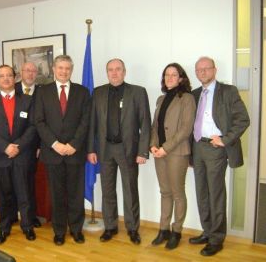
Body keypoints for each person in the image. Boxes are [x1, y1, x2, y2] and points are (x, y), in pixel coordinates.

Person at [190, 57, 250, 256]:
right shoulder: (194, 94)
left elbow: (243, 119)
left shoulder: (228, 91)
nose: (203, 72)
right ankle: (207, 231)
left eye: (206, 69)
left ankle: (216, 238)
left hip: (216, 148)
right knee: (202, 193)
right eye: (199, 70)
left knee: (215, 194)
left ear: (215, 70)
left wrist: (225, 139)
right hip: (197, 147)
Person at [87, 58, 151, 245]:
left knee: (130, 190)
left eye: (118, 69)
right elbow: (93, 123)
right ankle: (110, 226)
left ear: (124, 71)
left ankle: (132, 228)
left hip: (128, 150)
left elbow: (145, 124)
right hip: (105, 149)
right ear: (107, 73)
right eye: (110, 70)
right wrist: (90, 149)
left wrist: (143, 151)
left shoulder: (138, 92)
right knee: (107, 190)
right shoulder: (98, 93)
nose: (114, 73)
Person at [34, 55, 90, 246]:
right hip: (52, 153)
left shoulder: (82, 92)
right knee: (56, 195)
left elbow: (85, 121)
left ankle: (76, 229)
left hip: (75, 152)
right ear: (53, 68)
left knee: (75, 194)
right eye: (60, 68)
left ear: (71, 70)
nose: (64, 71)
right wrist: (55, 144)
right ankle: (59, 231)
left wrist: (73, 144)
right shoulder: (43, 92)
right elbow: (39, 121)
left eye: (67, 68)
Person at [0, 64, 37, 244]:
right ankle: (3, 228)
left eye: (9, 75)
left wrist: (17, 146)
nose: (6, 79)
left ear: (15, 78)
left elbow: (33, 126)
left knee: (24, 193)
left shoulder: (27, 101)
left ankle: (27, 226)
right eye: (1, 76)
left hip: (22, 156)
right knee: (3, 195)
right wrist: (5, 147)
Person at [150, 63, 196, 249]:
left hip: (176, 152)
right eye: (166, 75)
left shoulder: (187, 98)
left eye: (173, 74)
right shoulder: (161, 99)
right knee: (165, 192)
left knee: (177, 193)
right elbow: (155, 126)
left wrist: (166, 148)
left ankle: (176, 231)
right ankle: (163, 229)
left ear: (181, 78)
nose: (169, 78)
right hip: (159, 152)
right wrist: (153, 145)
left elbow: (185, 129)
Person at [12, 62, 41, 228]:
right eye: (27, 71)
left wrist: (40, 146)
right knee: (12, 184)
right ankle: (13, 215)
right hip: (12, 146)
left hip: (32, 147)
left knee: (29, 183)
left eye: (33, 71)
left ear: (36, 73)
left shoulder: (43, 92)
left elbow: (43, 121)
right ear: (21, 73)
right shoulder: (12, 89)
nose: (30, 74)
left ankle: (31, 216)